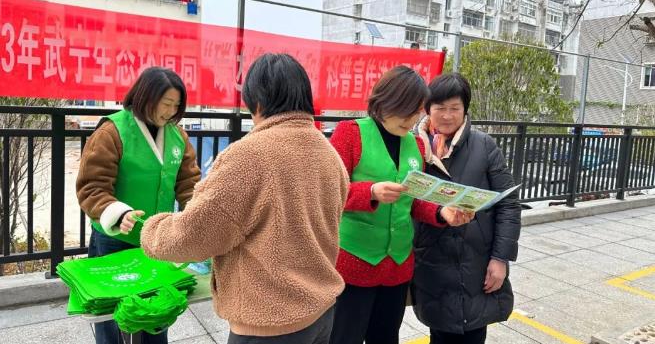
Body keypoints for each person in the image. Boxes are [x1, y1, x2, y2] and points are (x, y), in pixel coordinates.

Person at [140, 53, 349, 344]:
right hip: (321, 312)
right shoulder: (328, 154)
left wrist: (151, 229)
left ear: (258, 102)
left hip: (269, 322)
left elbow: (194, 235)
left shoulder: (250, 156)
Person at [328, 66, 472, 344]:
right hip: (354, 262)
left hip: (397, 266)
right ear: (384, 103)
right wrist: (370, 191)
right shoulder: (350, 134)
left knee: (385, 337)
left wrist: (442, 212)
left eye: (417, 110)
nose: (412, 118)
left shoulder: (416, 145)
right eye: (406, 110)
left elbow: (415, 200)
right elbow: (328, 193)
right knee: (344, 336)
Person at [76, 66, 201, 344]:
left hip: (156, 239)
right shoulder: (113, 130)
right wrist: (118, 213)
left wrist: (195, 213)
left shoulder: (177, 135)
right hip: (115, 237)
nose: (170, 111)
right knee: (111, 312)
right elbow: (92, 186)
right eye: (166, 104)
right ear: (146, 97)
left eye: (176, 105)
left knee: (157, 311)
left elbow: (188, 183)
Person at [412, 73, 522, 344]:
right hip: (432, 259)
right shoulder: (413, 147)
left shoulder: (484, 145)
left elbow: (507, 203)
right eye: (440, 108)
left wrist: (500, 259)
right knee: (440, 332)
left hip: (477, 259)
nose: (447, 116)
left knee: (473, 331)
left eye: (455, 108)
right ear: (428, 109)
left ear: (465, 110)